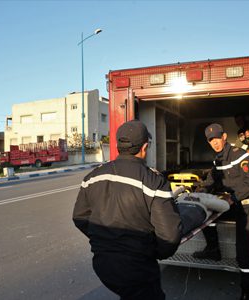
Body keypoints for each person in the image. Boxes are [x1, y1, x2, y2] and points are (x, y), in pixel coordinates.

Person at [73, 120, 182, 300]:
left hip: (103, 264)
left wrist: (105, 240)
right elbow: (170, 236)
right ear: (145, 147)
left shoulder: (92, 177)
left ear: (117, 146)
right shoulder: (153, 181)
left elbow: (80, 217)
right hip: (138, 268)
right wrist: (154, 253)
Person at [193, 123, 249, 300]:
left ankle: (248, 294)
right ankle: (213, 250)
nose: (214, 142)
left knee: (245, 254)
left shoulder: (238, 155)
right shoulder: (218, 160)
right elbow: (212, 181)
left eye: (217, 138)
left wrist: (232, 198)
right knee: (204, 213)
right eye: (211, 140)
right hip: (236, 206)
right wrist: (199, 194)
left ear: (224, 137)